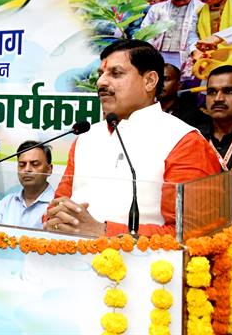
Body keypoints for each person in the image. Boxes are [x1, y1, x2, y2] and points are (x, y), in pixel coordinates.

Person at [44, 39, 221, 237]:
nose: (101, 82)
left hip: (147, 266)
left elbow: (195, 232)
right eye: (100, 74)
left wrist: (103, 231)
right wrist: (56, 220)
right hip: (69, 262)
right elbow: (57, 206)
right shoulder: (86, 137)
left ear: (149, 81)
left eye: (116, 73)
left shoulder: (183, 141)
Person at [197, 65, 232, 218]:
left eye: (229, 91)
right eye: (212, 92)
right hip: (199, 230)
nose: (218, 99)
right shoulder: (193, 137)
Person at [141, 0, 201, 68]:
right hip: (158, 54)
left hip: (188, 55)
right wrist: (149, 51)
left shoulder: (200, 7)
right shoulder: (157, 8)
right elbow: (145, 30)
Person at [0, 141, 54, 229]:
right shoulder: (6, 203)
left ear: (49, 169)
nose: (27, 169)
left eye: (35, 164)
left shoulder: (58, 204)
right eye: (22, 165)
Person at [158, 63, 206, 127]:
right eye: (156, 79)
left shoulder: (191, 114)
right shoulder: (146, 108)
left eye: (166, 79)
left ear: (179, 85)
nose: (160, 84)